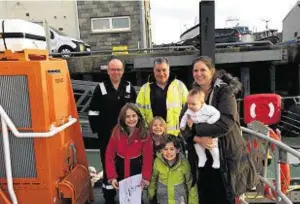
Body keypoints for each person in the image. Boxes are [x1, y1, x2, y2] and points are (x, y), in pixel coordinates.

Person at [182, 56, 257, 204]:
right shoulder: (193, 95)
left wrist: (196, 129)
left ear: (212, 71)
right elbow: (183, 125)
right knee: (205, 197)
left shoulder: (225, 92)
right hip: (202, 159)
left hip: (224, 155)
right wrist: (196, 138)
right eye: (195, 70)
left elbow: (226, 123)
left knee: (223, 197)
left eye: (203, 69)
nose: (199, 73)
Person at [88, 58, 137, 203]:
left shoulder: (129, 87)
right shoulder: (101, 88)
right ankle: (109, 197)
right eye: (113, 69)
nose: (116, 72)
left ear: (123, 71)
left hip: (126, 137)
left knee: (126, 166)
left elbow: (136, 113)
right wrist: (98, 131)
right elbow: (93, 112)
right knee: (109, 166)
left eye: (119, 69)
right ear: (108, 71)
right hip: (107, 137)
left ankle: (127, 196)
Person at [105, 103, 153, 192]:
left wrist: (145, 177)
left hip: (136, 170)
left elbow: (148, 157)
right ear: (123, 118)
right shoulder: (117, 131)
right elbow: (109, 155)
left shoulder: (145, 134)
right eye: (128, 116)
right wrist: (112, 177)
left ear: (138, 116)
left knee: (136, 198)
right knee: (124, 198)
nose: (131, 119)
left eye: (134, 116)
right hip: (120, 170)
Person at [136, 57, 188, 136]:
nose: (161, 73)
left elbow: (188, 109)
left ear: (169, 70)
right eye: (158, 70)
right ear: (154, 71)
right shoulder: (145, 89)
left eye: (164, 70)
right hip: (152, 135)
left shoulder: (180, 86)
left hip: (174, 135)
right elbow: (139, 113)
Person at [148, 135, 198, 204]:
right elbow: (153, 179)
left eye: (172, 149)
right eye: (165, 149)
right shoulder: (157, 162)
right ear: (161, 150)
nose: (168, 152)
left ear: (177, 150)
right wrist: (151, 195)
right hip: (162, 200)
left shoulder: (184, 163)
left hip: (179, 200)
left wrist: (193, 202)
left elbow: (191, 184)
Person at [180, 88, 221, 169]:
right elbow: (184, 117)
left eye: (193, 104)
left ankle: (216, 160)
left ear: (201, 103)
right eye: (188, 104)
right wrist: (182, 125)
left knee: (212, 146)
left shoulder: (208, 109)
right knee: (197, 146)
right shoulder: (189, 110)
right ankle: (202, 158)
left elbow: (217, 114)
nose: (190, 106)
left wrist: (209, 121)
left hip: (209, 132)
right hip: (197, 134)